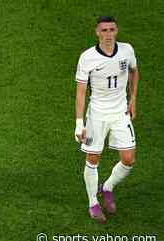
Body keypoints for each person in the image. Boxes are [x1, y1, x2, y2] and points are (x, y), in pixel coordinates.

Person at [75, 16, 139, 223]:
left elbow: (134, 71)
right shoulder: (87, 57)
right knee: (93, 159)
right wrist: (79, 123)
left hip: (120, 112)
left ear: (117, 31)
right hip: (98, 114)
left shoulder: (127, 50)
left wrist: (133, 99)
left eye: (111, 30)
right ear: (97, 32)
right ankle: (93, 202)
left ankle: (107, 187)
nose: (108, 34)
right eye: (104, 30)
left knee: (128, 159)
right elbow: (81, 92)